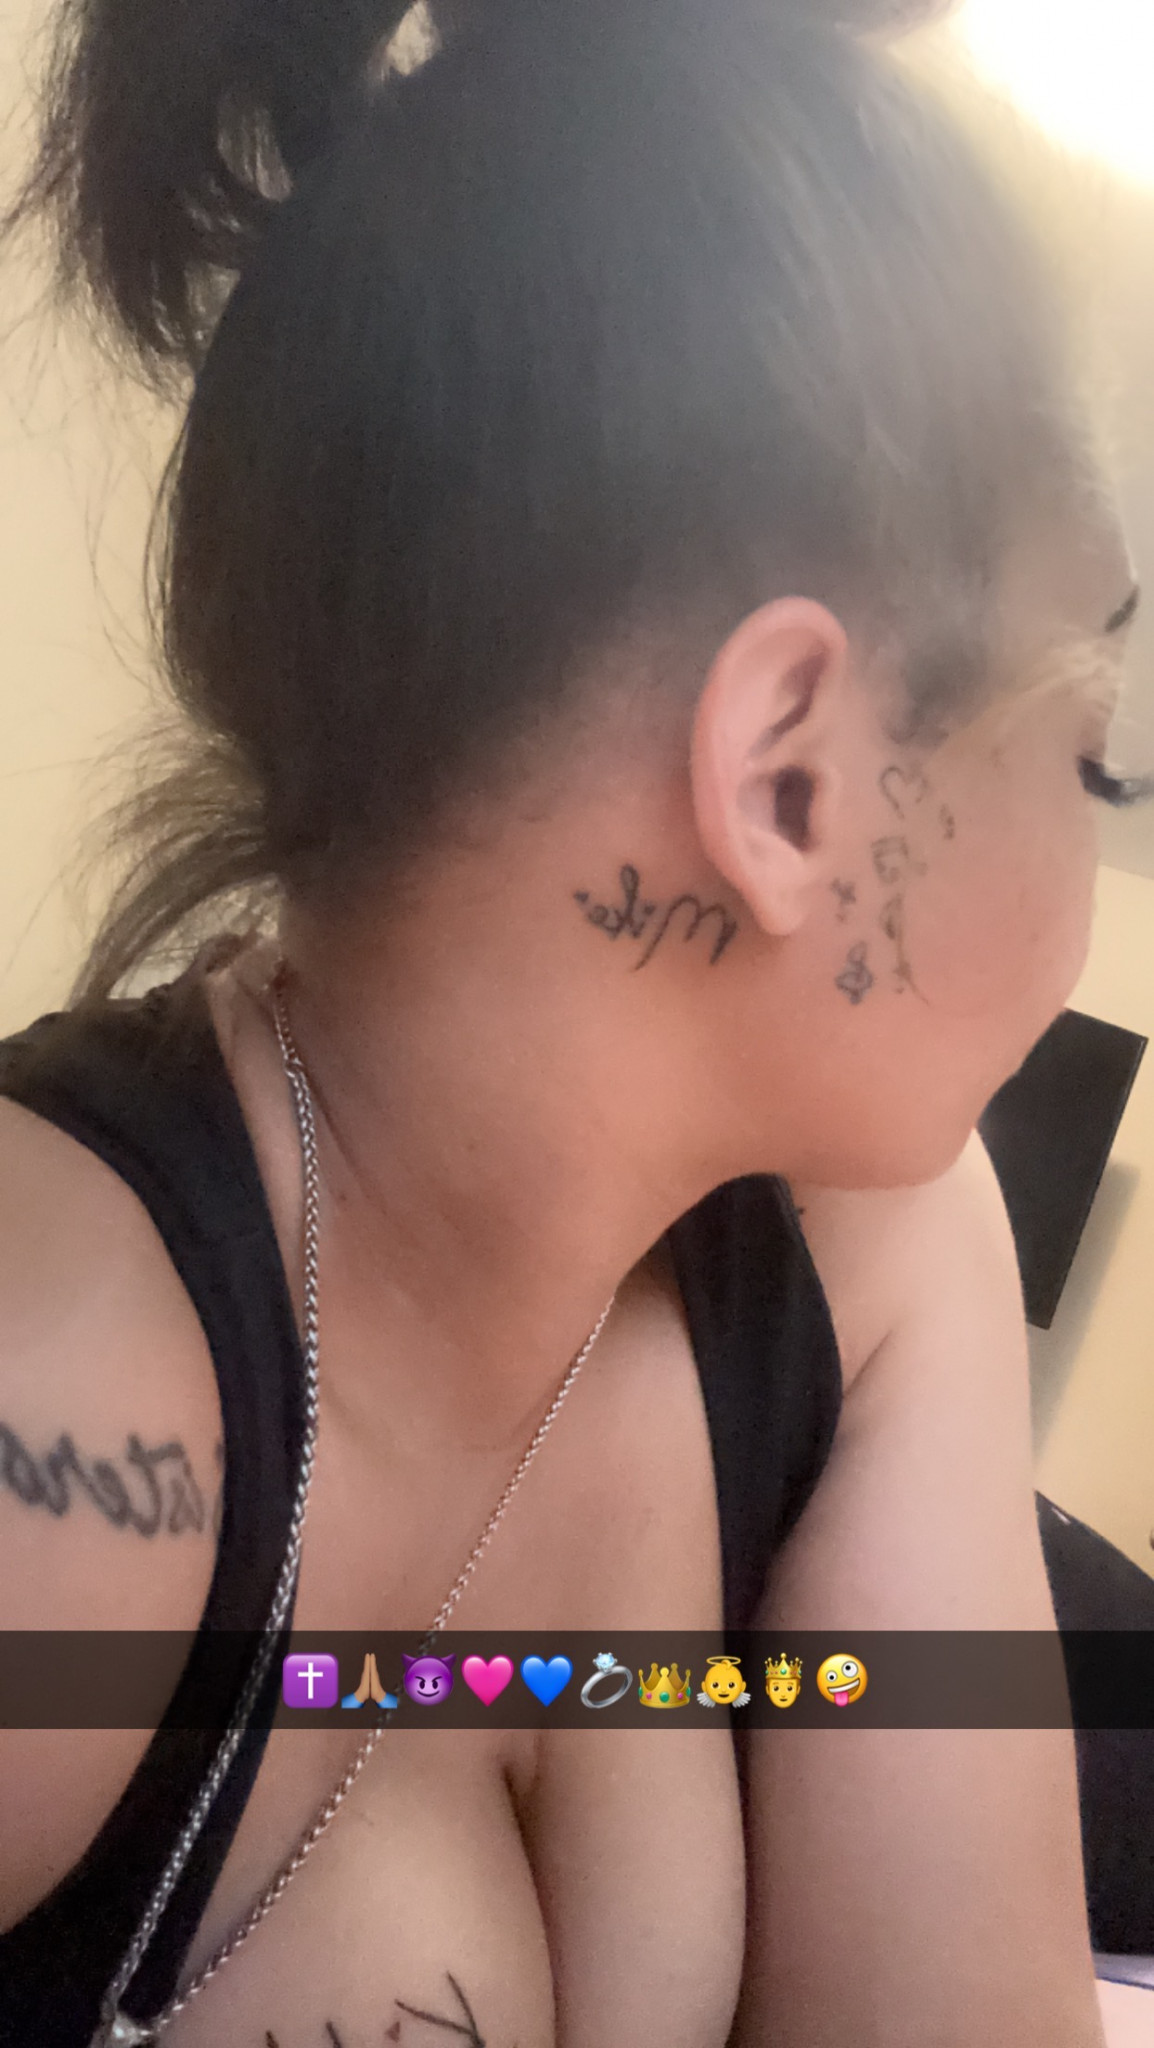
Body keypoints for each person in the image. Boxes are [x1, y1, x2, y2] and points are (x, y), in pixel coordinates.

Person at [0, 0, 1149, 2041]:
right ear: (787, 777)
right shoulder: (73, 1395)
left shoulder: (884, 1268)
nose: (1090, 838)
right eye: (1092, 754)